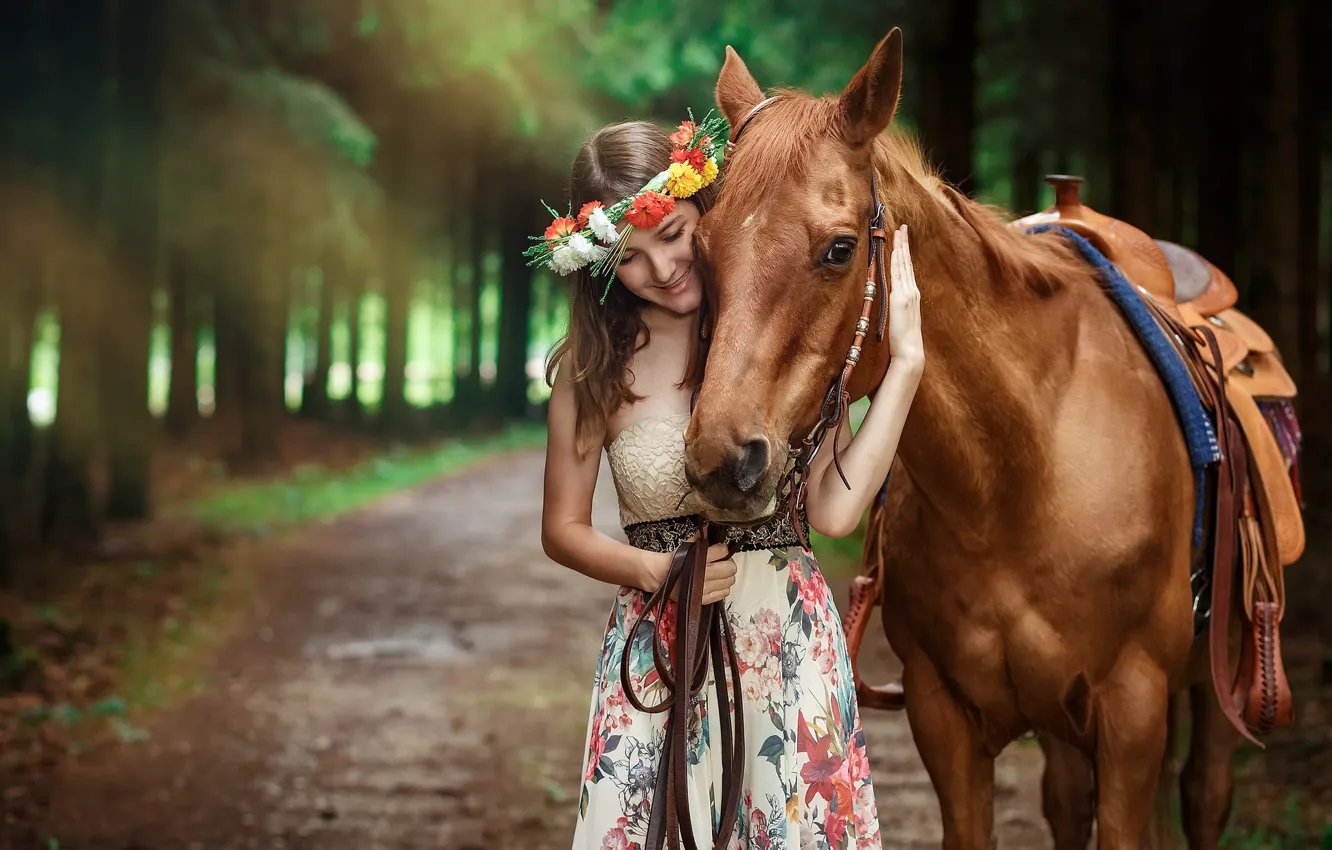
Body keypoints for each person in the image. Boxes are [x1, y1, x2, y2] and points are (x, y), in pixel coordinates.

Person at [536, 114, 924, 850]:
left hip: (785, 642)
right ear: (600, 265)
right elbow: (563, 529)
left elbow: (836, 510)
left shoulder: (768, 339)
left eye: (675, 235)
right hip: (662, 649)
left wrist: (904, 365)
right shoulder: (593, 376)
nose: (662, 268)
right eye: (631, 257)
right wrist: (656, 569)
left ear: (704, 211)